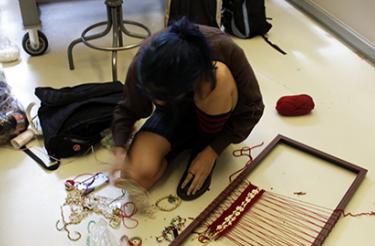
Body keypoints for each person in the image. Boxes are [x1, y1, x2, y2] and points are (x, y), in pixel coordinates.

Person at [110, 17, 264, 201]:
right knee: (138, 177)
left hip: (213, 109)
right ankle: (181, 142)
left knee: (219, 77)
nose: (157, 101)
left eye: (163, 97)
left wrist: (212, 151)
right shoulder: (147, 60)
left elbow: (252, 110)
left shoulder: (224, 49)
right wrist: (119, 150)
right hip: (174, 116)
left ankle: (203, 142)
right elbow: (127, 109)